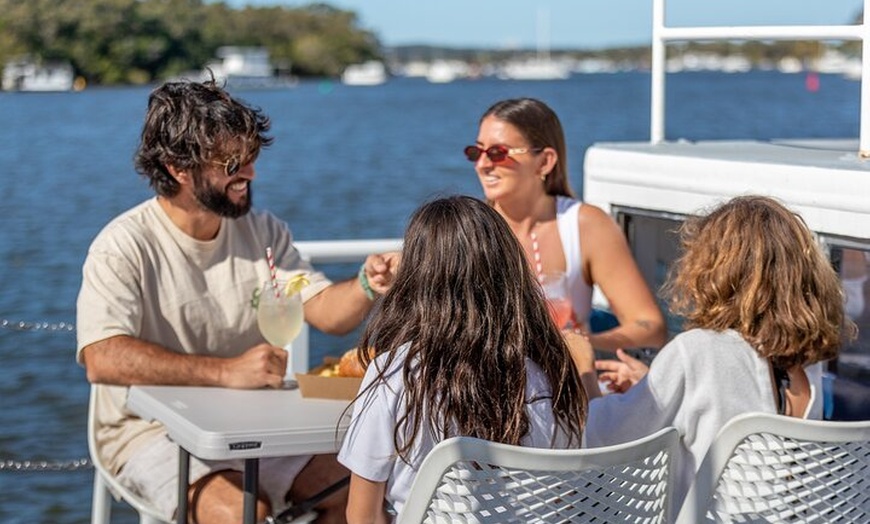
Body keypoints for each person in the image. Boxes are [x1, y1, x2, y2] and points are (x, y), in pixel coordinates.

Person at [76, 79, 398, 524]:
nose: (250, 173)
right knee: (240, 513)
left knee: (358, 490)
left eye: (251, 158)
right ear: (178, 169)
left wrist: (366, 283)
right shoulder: (123, 245)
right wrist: (225, 372)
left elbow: (326, 310)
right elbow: (101, 357)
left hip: (252, 426)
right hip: (147, 432)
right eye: (232, 163)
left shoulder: (264, 233)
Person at [578, 195, 852, 514]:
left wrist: (584, 368)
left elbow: (603, 439)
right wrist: (651, 383)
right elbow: (731, 399)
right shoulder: (807, 366)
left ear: (714, 271)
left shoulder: (698, 350)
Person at [337, 196, 591, 523]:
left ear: (417, 278)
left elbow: (362, 516)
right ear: (508, 273)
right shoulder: (545, 372)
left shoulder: (395, 374)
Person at [466, 97, 666, 352]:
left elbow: (650, 326)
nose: (482, 164)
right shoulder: (470, 230)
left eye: (498, 153)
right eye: (476, 152)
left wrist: (582, 345)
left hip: (567, 384)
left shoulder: (584, 225)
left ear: (545, 161)